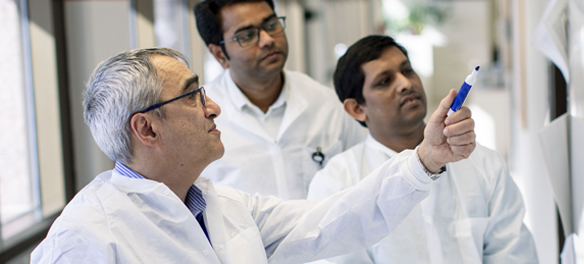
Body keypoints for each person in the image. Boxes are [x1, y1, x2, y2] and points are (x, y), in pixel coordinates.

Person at [30, 47, 476, 263]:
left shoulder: (225, 207)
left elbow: (336, 220)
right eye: (191, 98)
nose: (213, 106)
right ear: (146, 127)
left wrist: (426, 159)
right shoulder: (86, 237)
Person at [307, 35, 538, 263]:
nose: (405, 84)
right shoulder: (336, 184)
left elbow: (514, 253)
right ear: (357, 108)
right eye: (384, 81)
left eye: (407, 70)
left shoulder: (484, 164)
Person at [193, 0, 366, 200]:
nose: (267, 40)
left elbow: (363, 175)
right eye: (247, 35)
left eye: (271, 25)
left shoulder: (325, 103)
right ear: (219, 54)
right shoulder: (201, 119)